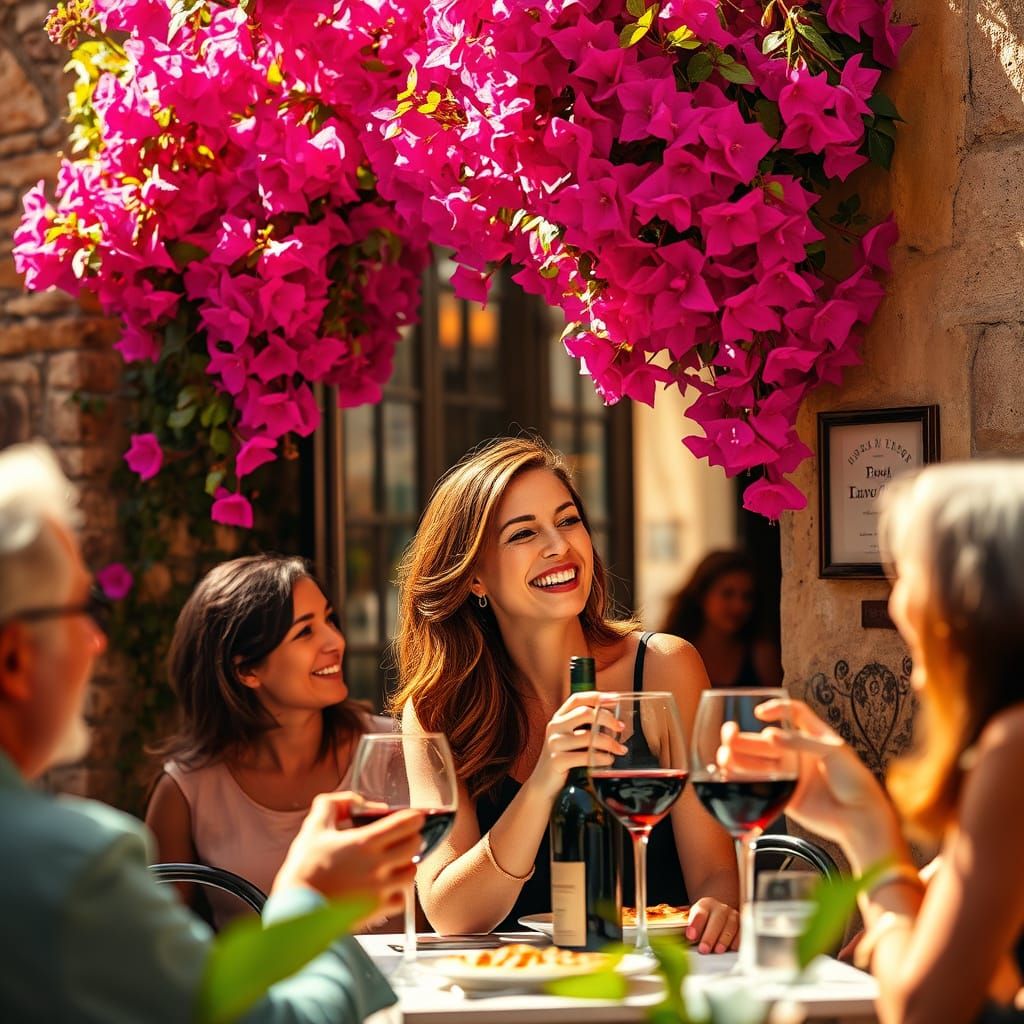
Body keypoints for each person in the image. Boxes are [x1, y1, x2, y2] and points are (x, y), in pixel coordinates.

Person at [0, 441, 423, 1023]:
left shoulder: (393, 745)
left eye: (329, 620)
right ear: (14, 658)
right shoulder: (80, 861)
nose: (97, 642)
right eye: (83, 610)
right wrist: (312, 900)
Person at [390, 435, 739, 952]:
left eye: (568, 520)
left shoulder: (663, 668)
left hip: (655, 977)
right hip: (516, 987)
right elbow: (449, 913)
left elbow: (714, 873)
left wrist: (719, 911)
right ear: (476, 578)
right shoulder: (438, 709)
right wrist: (544, 780)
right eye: (523, 533)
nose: (559, 546)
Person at [721, 460, 1024, 1024]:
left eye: (908, 575)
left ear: (973, 599)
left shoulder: (1015, 747)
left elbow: (922, 1009)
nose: (895, 604)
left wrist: (868, 830)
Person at [146, 555, 393, 927]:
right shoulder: (186, 790)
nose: (336, 641)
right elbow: (155, 941)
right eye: (305, 632)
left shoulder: (397, 750)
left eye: (329, 619)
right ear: (246, 670)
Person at [660, 549, 782, 689]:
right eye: (727, 594)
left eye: (747, 596)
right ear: (701, 595)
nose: (739, 606)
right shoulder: (671, 651)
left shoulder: (762, 655)